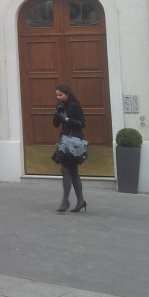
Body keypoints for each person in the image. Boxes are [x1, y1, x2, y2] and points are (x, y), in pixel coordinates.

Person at [53, 84, 87, 213]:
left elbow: (82, 124)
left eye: (60, 95)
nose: (58, 97)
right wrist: (58, 113)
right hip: (64, 141)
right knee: (72, 172)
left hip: (74, 142)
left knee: (65, 169)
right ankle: (80, 201)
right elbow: (55, 124)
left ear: (67, 94)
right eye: (57, 95)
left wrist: (67, 119)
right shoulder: (60, 106)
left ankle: (65, 201)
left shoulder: (75, 105)